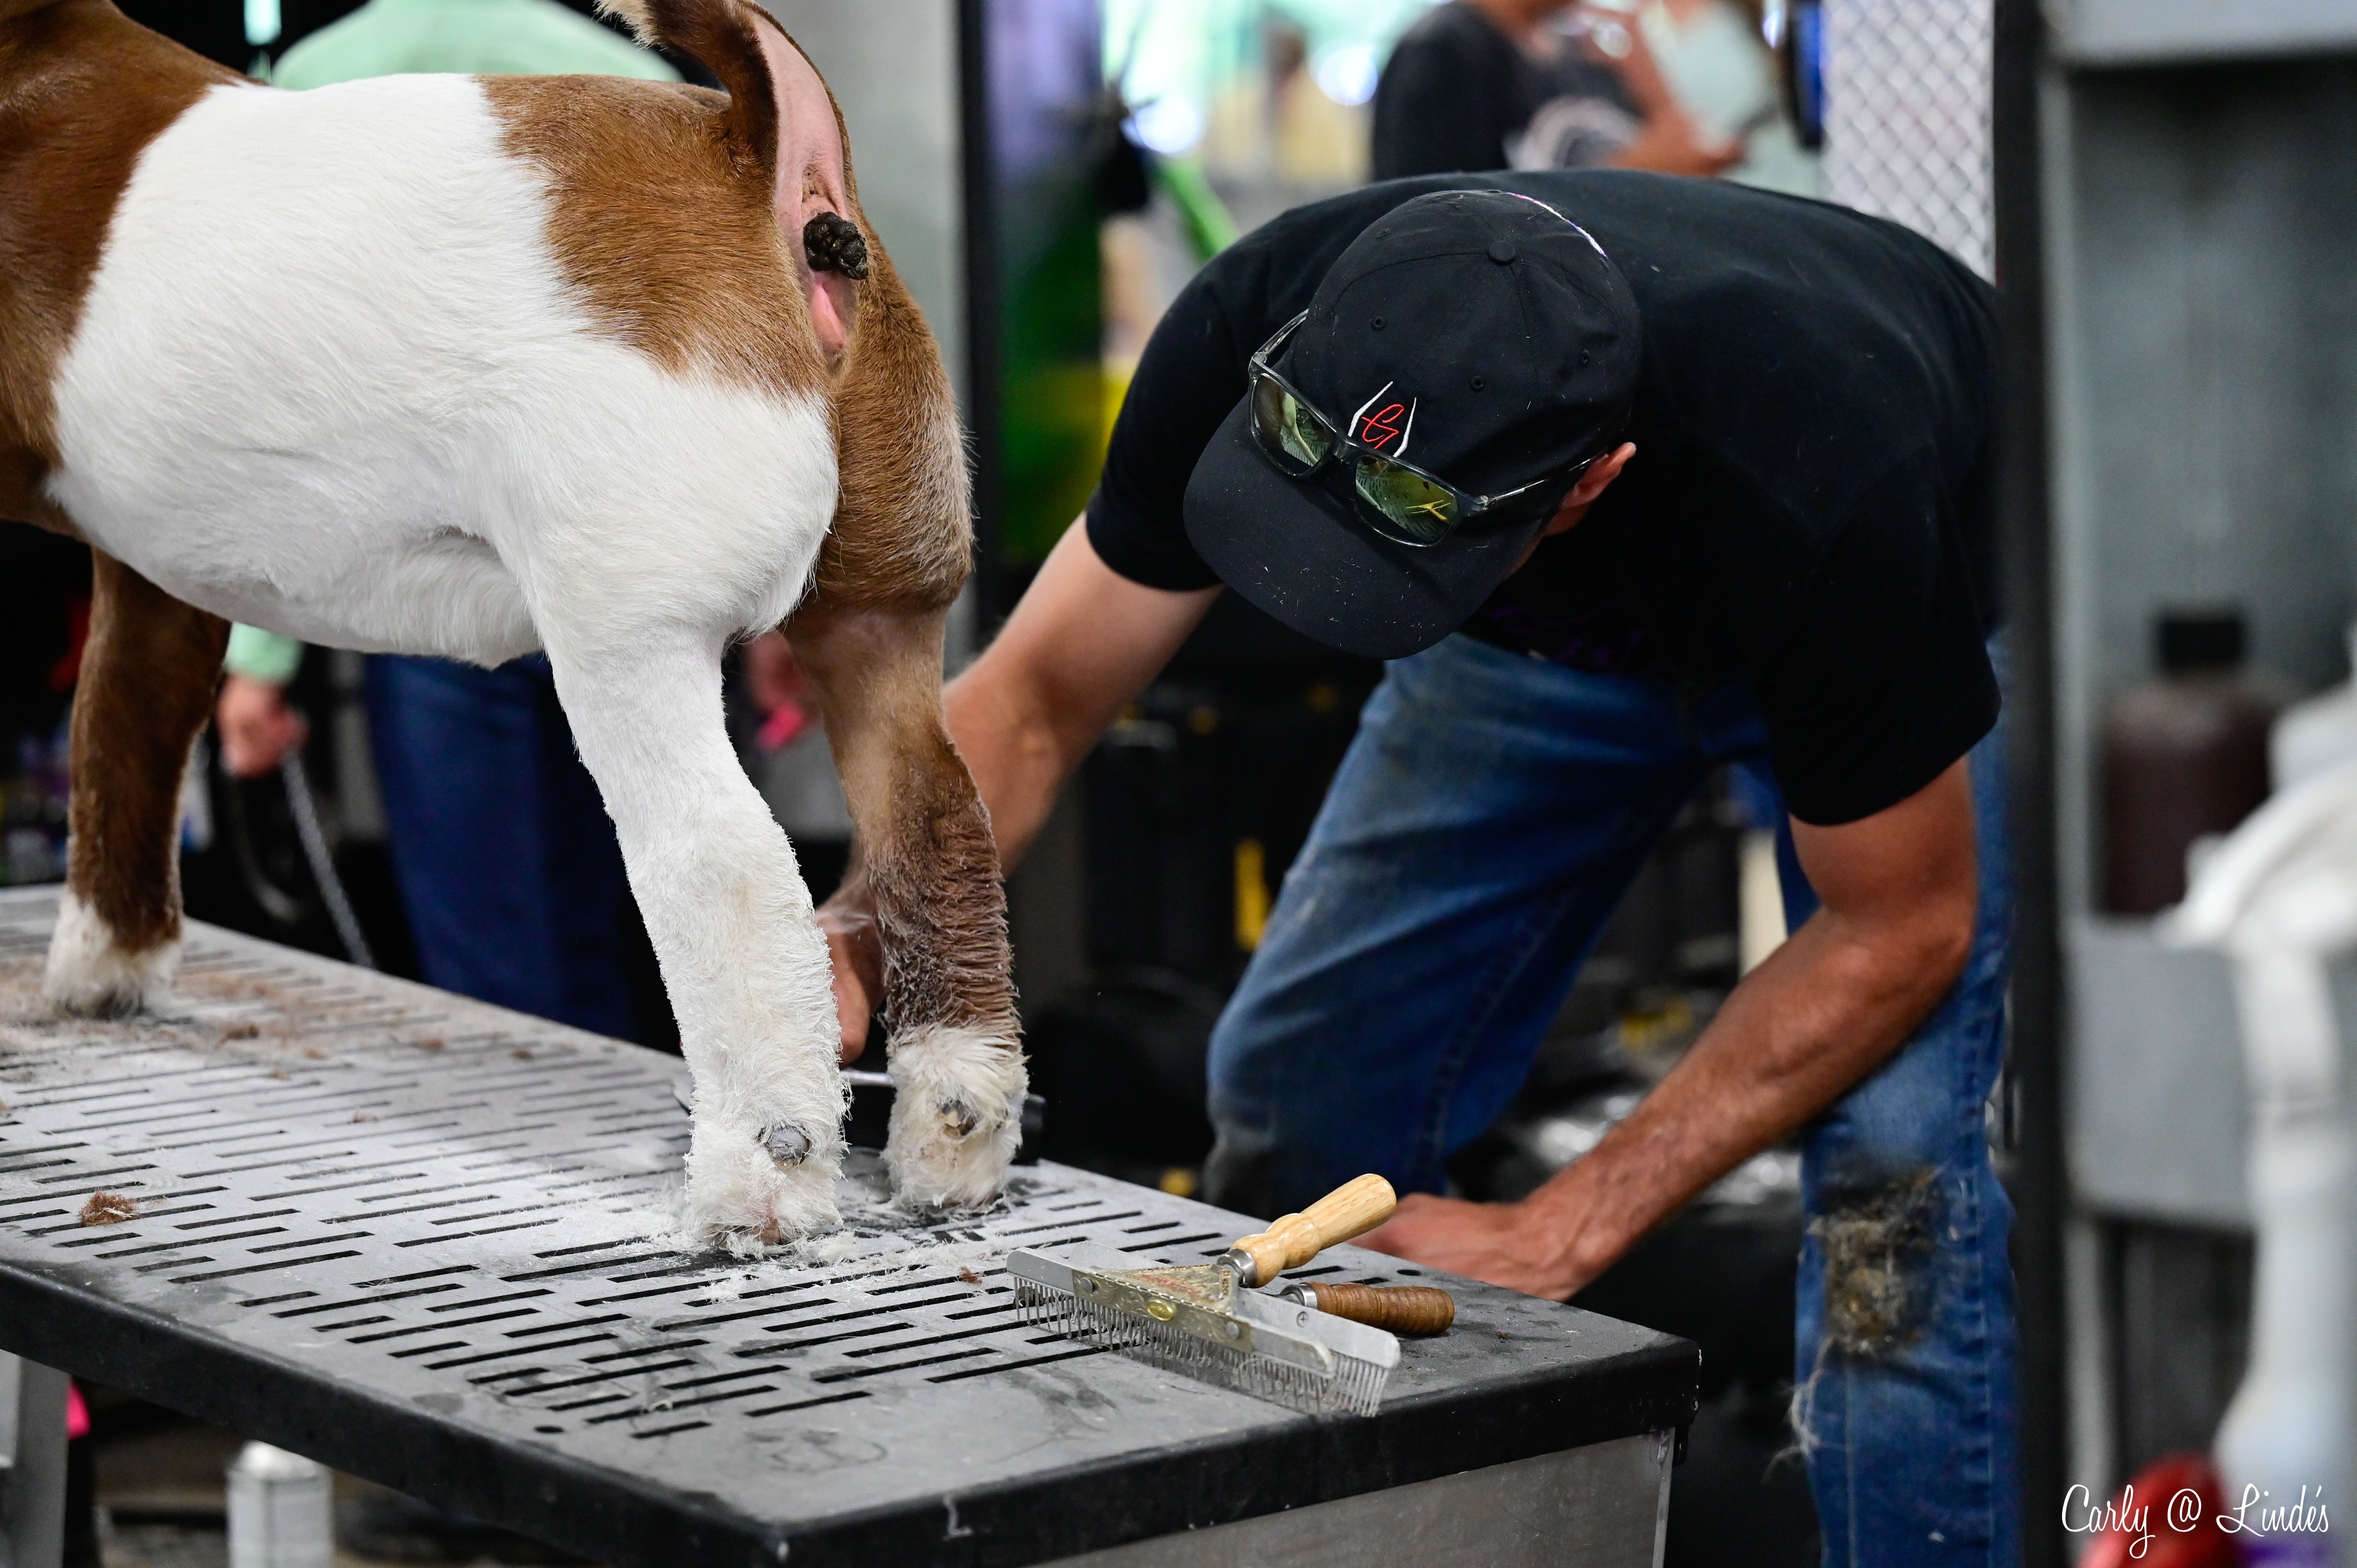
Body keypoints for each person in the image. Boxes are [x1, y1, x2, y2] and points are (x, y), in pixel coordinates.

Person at [820, 174, 2012, 1565]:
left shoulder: (1825, 468)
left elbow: (1900, 924)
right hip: (1518, 637)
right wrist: (863, 922)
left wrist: (1557, 1228)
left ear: (1586, 483)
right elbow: (1031, 697)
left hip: (1893, 617)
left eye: (1381, 531)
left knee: (1889, 1209)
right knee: (1300, 1084)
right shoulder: (1264, 308)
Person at [213, 0, 678, 1044]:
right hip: (633, 561)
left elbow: (286, 376)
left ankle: (532, 1194)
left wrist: (260, 657)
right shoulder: (639, 85)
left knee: (488, 966)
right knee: (636, 930)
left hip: (436, 571)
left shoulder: (309, 86)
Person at [1371, 0, 1734, 180]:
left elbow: (1678, 150)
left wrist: (1651, 82)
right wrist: (1632, 172)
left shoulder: (1580, 51)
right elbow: (1431, 229)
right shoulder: (1444, 54)